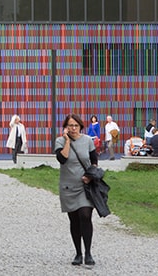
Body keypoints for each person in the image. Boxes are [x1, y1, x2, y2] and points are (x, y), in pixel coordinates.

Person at [54, 113, 99, 267]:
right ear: (65, 127)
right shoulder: (60, 141)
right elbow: (62, 159)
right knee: (74, 220)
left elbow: (94, 161)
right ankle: (78, 253)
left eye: (76, 125)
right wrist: (67, 140)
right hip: (68, 186)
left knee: (85, 215)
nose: (73, 128)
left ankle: (88, 253)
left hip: (85, 186)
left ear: (80, 126)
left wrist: (90, 176)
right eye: (70, 125)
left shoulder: (87, 141)